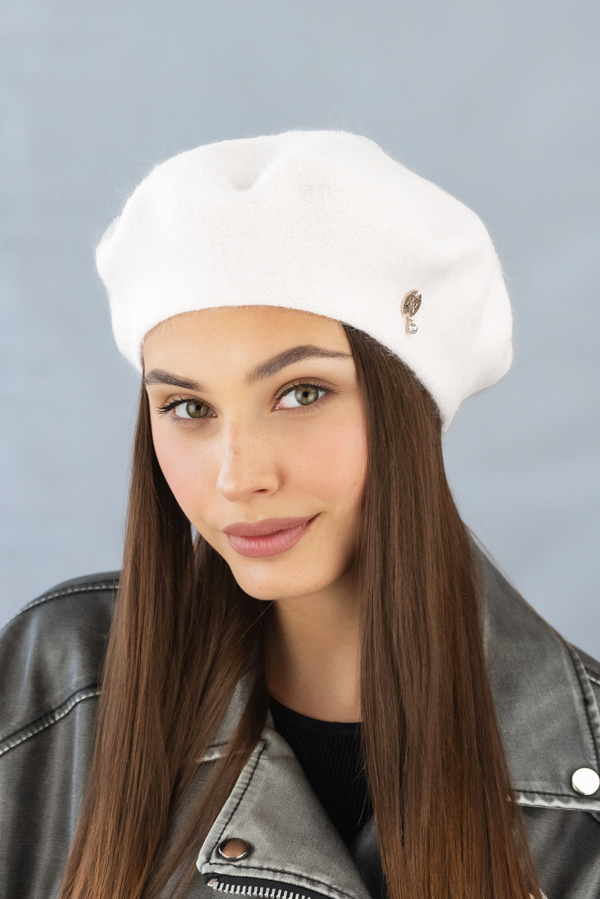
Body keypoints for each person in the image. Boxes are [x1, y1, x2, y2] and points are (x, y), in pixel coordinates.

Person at [0, 131, 599, 899]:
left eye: (302, 393)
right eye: (187, 406)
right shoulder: (57, 686)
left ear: (411, 403)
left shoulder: (581, 779)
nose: (239, 476)